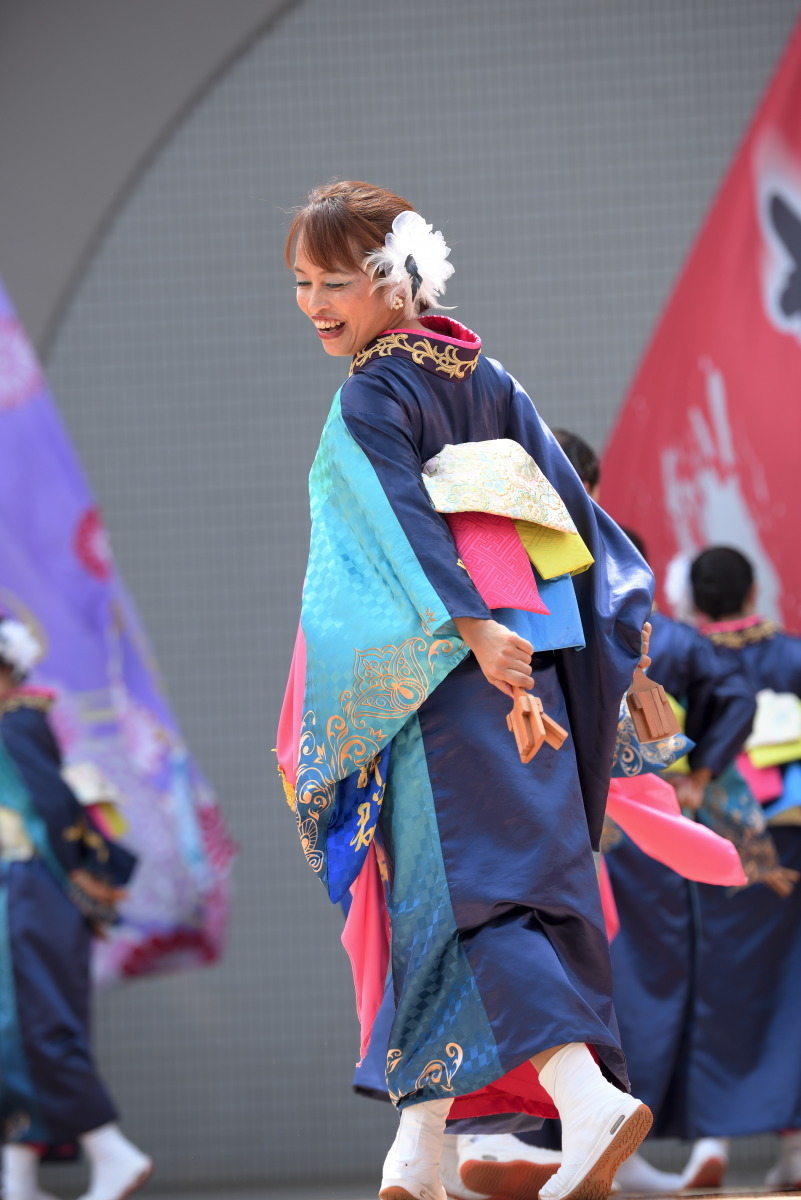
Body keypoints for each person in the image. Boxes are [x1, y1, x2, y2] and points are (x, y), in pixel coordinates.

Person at [276, 182, 658, 1200]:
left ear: (394, 278)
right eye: (302, 283)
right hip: (531, 665)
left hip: (445, 674)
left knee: (473, 901)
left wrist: (474, 628)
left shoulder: (371, 391)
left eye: (336, 282)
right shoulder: (480, 370)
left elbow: (398, 526)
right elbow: (577, 517)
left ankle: (583, 1101)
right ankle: (423, 1146)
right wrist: (627, 651)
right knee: (488, 892)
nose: (316, 302)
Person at [0, 618, 152, 1200]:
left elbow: (55, 818)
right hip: (25, 893)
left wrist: (80, 885)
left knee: (37, 1024)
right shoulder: (18, 723)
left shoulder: (15, 724)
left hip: (28, 891)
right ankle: (16, 1178)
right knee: (17, 1031)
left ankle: (109, 1149)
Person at [680, 547, 801, 1190]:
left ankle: (709, 1141)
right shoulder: (792, 655)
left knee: (709, 978)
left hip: (708, 840)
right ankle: (795, 1148)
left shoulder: (685, 655)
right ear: (754, 591)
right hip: (788, 840)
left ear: (696, 600)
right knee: (791, 985)